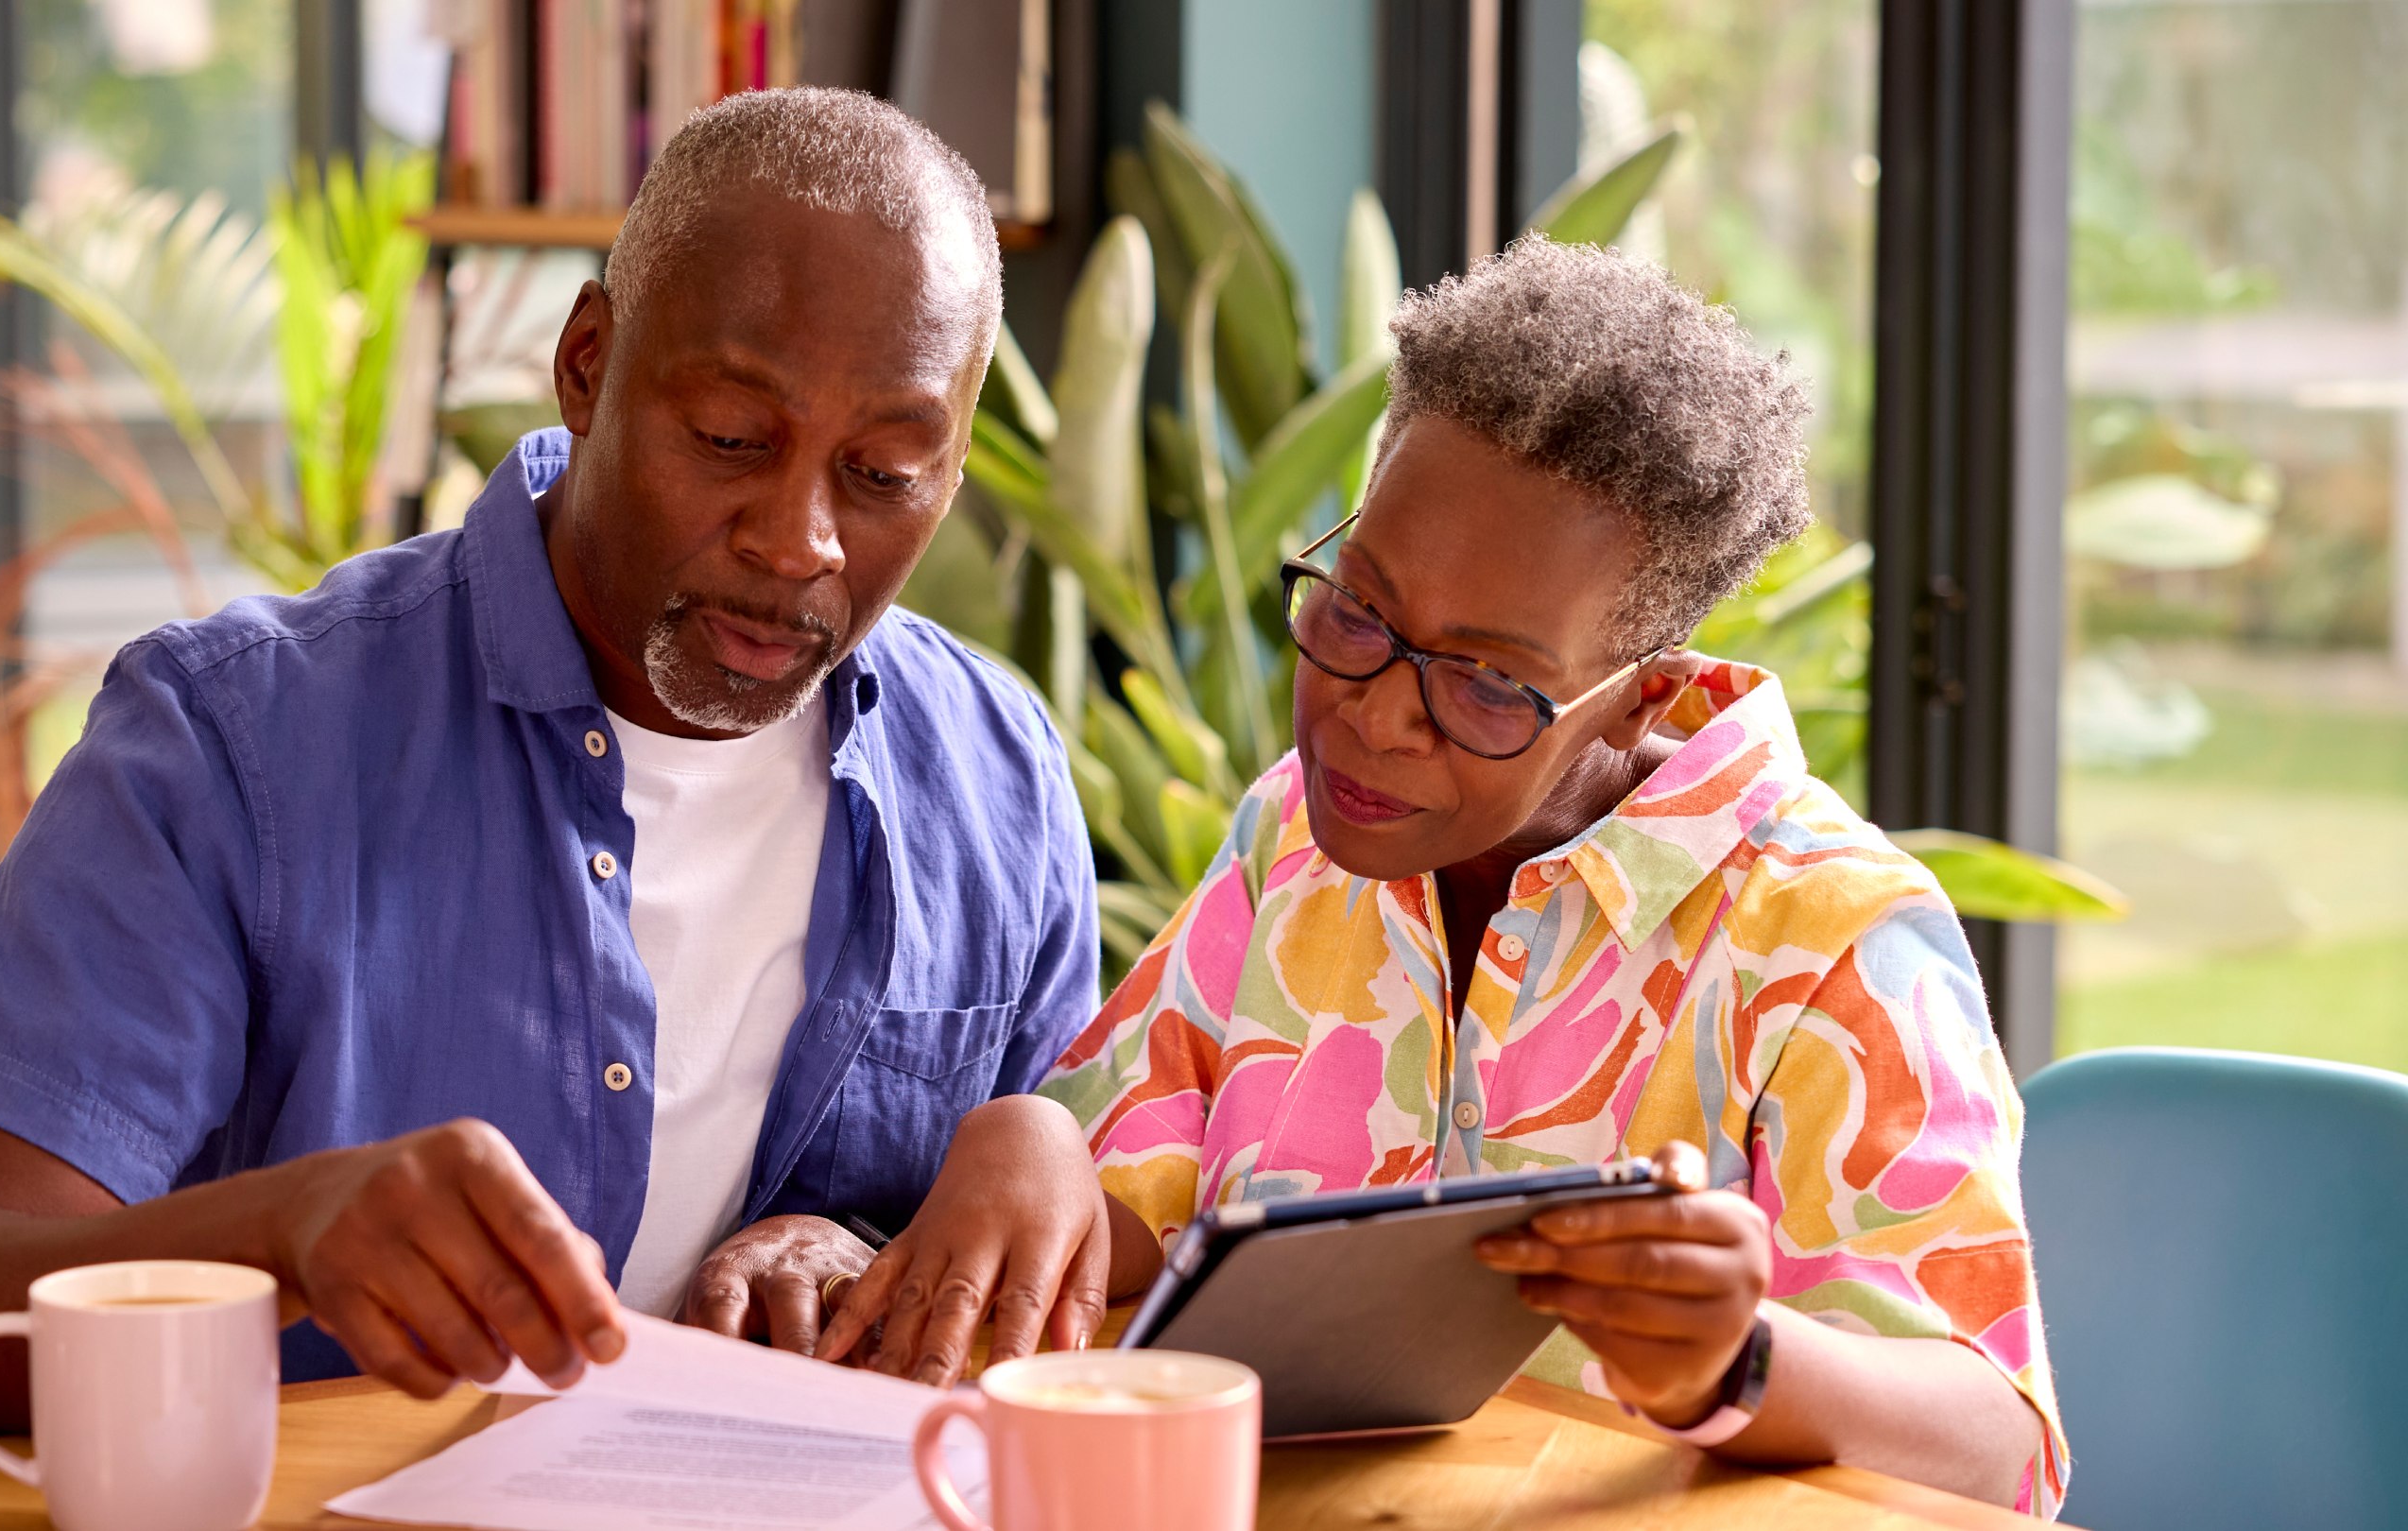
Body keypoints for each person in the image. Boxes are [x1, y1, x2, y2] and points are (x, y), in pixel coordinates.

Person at [0, 87, 1100, 1435]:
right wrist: (281, 1233)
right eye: (729, 438)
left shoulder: (992, 774)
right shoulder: (234, 750)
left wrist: (902, 1233)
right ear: (586, 363)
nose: (798, 539)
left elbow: (1069, 1272)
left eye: (884, 473)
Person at [820, 237, 2069, 1517]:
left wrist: (1735, 1360)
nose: (1373, 717)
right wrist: (1030, 1139)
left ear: (1646, 699)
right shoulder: (1294, 839)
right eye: (1358, 611)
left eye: (1487, 682)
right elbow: (1127, 1195)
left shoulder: (1833, 937)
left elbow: (1994, 1444)